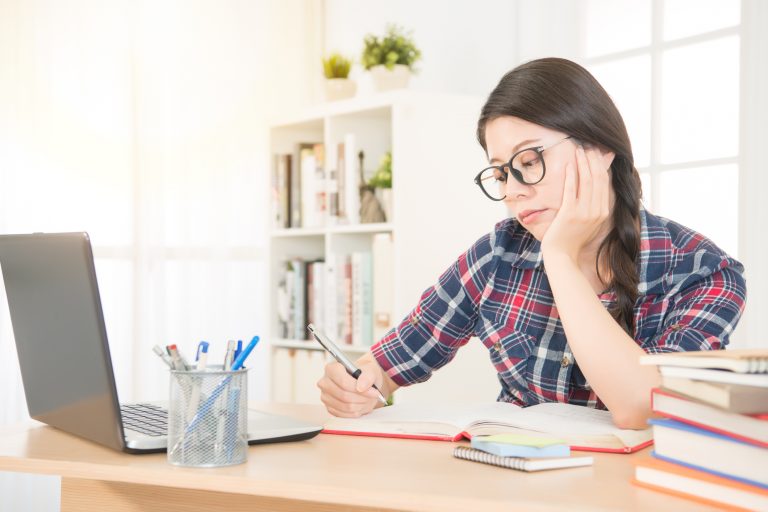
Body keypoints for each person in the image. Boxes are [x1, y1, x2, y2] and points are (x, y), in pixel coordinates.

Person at [316, 57, 747, 429]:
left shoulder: (703, 271)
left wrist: (559, 255)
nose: (512, 191)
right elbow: (387, 366)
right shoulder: (497, 255)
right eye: (501, 172)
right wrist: (355, 384)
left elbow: (641, 406)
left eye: (529, 161)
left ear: (598, 150)